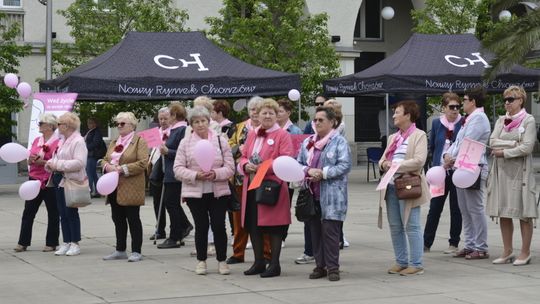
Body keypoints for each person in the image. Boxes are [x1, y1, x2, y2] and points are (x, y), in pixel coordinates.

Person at [174, 106, 235, 275]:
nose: (200, 124)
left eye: (203, 121)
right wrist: (195, 175)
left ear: (209, 122)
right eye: (196, 122)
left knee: (218, 226)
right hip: (195, 193)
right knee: (201, 227)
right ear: (191, 124)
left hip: (218, 191)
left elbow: (230, 167)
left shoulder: (220, 140)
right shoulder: (185, 143)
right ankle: (201, 261)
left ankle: (222, 261)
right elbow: (178, 169)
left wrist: (215, 173)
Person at [239, 98, 294, 278]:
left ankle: (275, 264)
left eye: (271, 112)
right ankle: (259, 262)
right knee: (254, 225)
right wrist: (246, 165)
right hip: (253, 185)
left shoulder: (282, 135)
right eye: (264, 112)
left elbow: (286, 158)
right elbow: (244, 156)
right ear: (258, 115)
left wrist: (263, 167)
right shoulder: (252, 134)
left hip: (273, 186)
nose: (268, 116)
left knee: (275, 227)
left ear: (277, 115)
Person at [297, 106, 352, 281]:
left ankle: (333, 268)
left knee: (330, 233)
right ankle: (320, 266)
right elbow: (297, 163)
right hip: (312, 195)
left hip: (333, 197)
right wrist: (307, 170)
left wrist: (323, 173)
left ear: (332, 122)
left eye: (321, 120)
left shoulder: (339, 142)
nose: (317, 122)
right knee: (315, 232)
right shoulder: (308, 142)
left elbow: (345, 165)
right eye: (316, 120)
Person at [487, 85, 537, 266]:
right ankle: (507, 250)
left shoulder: (528, 120)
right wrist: (514, 143)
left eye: (511, 99)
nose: (507, 103)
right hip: (502, 173)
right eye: (505, 99)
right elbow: (492, 141)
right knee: (504, 212)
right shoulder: (501, 120)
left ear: (521, 100)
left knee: (524, 213)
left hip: (520, 174)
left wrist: (504, 151)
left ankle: (525, 252)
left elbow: (527, 147)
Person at [379, 100, 430, 276]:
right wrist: (385, 164)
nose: (393, 115)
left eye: (397, 112)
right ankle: (401, 261)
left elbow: (419, 161)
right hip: (391, 186)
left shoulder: (419, 135)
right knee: (395, 225)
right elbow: (382, 159)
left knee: (412, 225)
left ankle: (416, 263)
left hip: (408, 185)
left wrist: (394, 166)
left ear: (408, 115)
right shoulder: (393, 138)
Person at [443, 86, 491, 260]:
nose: (462, 103)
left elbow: (468, 141)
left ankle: (481, 246)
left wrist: (451, 157)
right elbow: (458, 141)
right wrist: (447, 155)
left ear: (473, 101)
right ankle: (470, 244)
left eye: (464, 100)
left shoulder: (478, 118)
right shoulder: (469, 118)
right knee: (464, 208)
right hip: (462, 167)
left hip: (473, 166)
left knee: (475, 208)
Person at [226, 96, 272, 265]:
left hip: (263, 179)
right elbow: (228, 146)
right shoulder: (238, 127)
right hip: (240, 178)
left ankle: (266, 253)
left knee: (263, 218)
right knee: (239, 219)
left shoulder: (268, 130)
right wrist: (239, 149)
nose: (255, 113)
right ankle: (238, 253)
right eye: (252, 109)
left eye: (258, 110)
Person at [101, 112, 148, 262]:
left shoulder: (140, 141)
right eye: (117, 123)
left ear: (132, 125)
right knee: (117, 218)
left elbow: (143, 162)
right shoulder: (115, 141)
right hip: (113, 185)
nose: (119, 126)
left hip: (131, 185)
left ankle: (136, 250)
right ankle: (120, 249)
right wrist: (107, 166)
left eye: (122, 123)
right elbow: (104, 159)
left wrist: (122, 169)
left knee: (133, 218)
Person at [14, 113, 60, 253]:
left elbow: (59, 162)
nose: (38, 125)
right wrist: (29, 160)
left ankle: (51, 243)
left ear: (50, 126)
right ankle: (23, 242)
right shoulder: (36, 140)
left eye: (41, 123)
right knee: (28, 212)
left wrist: (44, 162)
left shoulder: (58, 142)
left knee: (53, 212)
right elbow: (29, 155)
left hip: (49, 180)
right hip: (34, 179)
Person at [423, 93, 463, 254]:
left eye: (457, 107)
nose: (454, 110)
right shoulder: (437, 123)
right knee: (435, 208)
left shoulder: (464, 123)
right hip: (440, 173)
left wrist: (454, 160)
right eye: (451, 107)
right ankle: (426, 242)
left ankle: (454, 243)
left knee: (456, 208)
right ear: (444, 108)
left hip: (457, 172)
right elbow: (432, 147)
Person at [45, 112, 87, 257]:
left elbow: (80, 162)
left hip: (71, 180)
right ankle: (67, 241)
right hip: (59, 179)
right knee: (62, 212)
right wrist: (50, 164)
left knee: (71, 212)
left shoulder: (78, 141)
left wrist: (58, 164)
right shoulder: (63, 140)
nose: (57, 127)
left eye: (59, 124)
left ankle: (75, 242)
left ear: (67, 125)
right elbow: (56, 157)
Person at [156, 103, 193, 249]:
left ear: (174, 116)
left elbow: (184, 152)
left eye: (169, 115)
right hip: (170, 172)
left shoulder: (181, 130)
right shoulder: (176, 130)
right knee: (171, 204)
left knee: (171, 204)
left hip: (175, 173)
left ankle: (175, 236)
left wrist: (167, 151)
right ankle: (180, 230)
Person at [148, 107, 171, 240]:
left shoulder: (172, 132)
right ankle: (160, 229)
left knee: (168, 201)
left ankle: (182, 225)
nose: (162, 121)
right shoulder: (156, 132)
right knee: (157, 202)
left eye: (165, 118)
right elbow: (152, 149)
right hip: (155, 168)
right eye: (160, 119)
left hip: (166, 168)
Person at [84, 117, 106, 198]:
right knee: (93, 173)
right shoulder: (91, 131)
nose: (89, 124)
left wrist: (85, 147)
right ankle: (97, 191)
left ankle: (89, 191)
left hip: (92, 155)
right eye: (88, 123)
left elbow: (95, 143)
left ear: (95, 124)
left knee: (89, 173)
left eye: (90, 122)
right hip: (89, 154)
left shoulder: (97, 132)